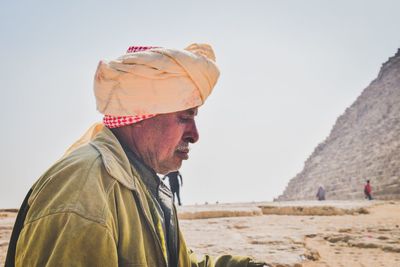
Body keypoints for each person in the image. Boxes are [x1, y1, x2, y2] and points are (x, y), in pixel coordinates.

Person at [5, 44, 266, 267]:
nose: (194, 135)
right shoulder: (84, 190)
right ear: (142, 115)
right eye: (185, 118)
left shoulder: (141, 181)